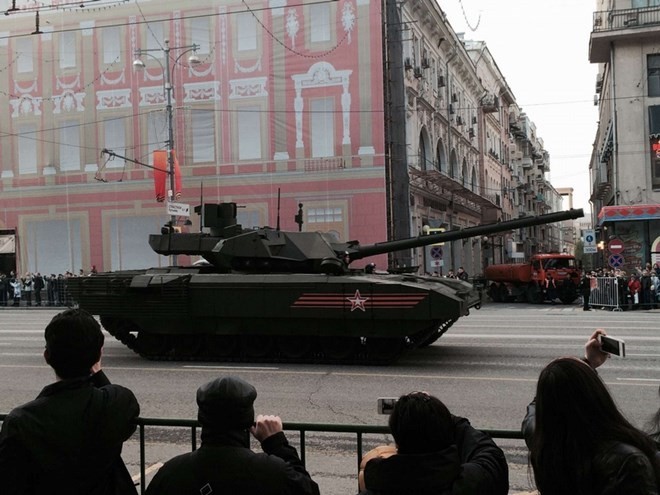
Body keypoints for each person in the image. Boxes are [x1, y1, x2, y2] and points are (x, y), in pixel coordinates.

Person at [0, 308, 140, 494]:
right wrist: (98, 374)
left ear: (47, 356)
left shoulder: (21, 422)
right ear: (98, 355)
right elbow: (114, 397)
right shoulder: (113, 405)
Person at [522, 329, 660, 495]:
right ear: (596, 394)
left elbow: (536, 408)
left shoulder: (541, 438)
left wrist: (588, 363)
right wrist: (586, 365)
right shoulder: (629, 461)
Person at [145, 376, 319, 495]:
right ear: (248, 420)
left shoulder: (171, 473)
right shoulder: (273, 473)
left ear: (202, 418)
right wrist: (277, 443)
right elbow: (308, 490)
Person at [358, 391, 508, 495]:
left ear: (397, 443)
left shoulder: (377, 484)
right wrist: (433, 412)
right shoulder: (473, 483)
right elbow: (488, 452)